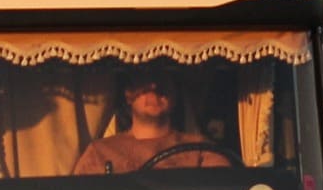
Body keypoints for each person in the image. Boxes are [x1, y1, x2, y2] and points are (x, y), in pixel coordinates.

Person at [72, 65, 231, 174]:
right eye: (143, 81)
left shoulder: (200, 150)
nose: (154, 87)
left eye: (163, 81)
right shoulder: (99, 153)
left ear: (174, 94)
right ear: (128, 94)